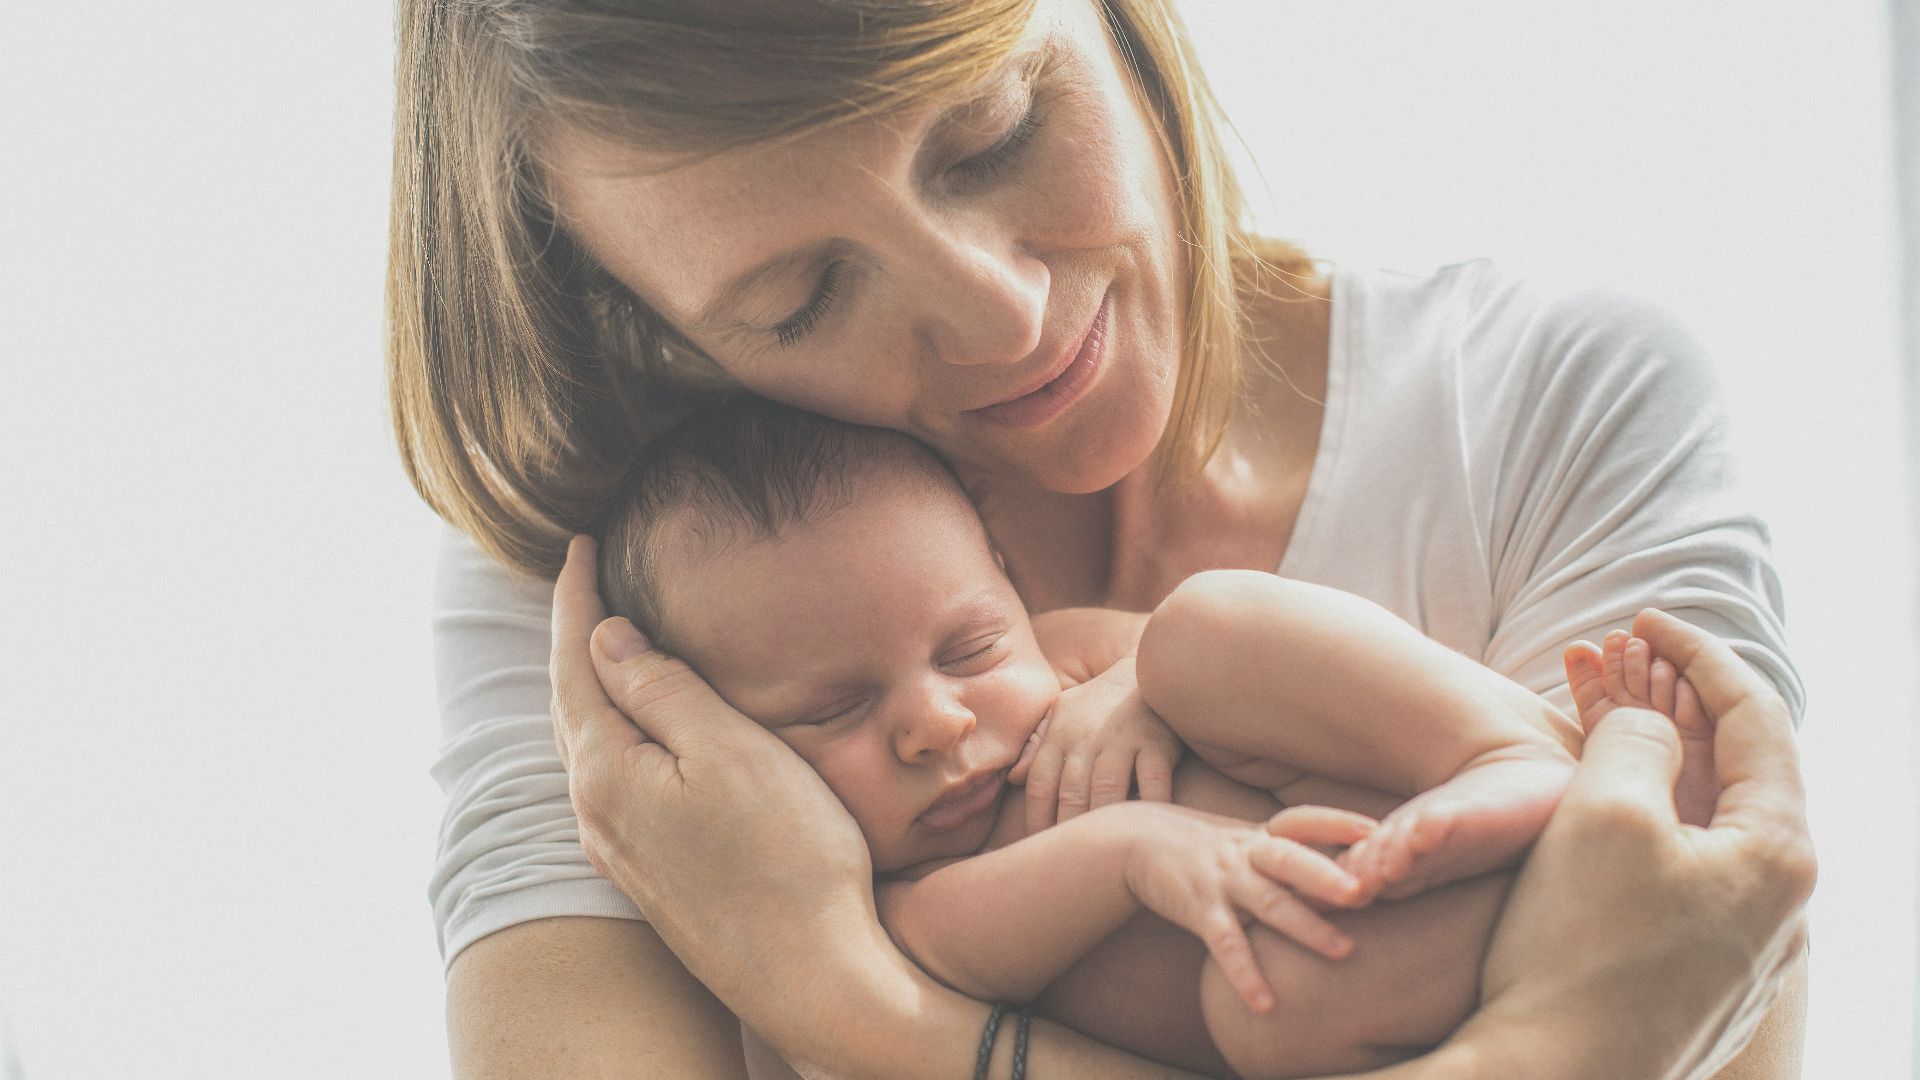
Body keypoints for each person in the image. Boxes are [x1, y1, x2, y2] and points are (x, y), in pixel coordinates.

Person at [387, 0, 1815, 1076]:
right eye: (800, 297)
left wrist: (856, 1003)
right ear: (649, 323)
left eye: (999, 126)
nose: (1003, 313)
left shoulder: (1541, 404)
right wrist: (1567, 1035)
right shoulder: (636, 601)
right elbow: (1641, 990)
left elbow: (1722, 946)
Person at [590, 396, 1609, 1077]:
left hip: (1397, 799)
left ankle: (1504, 756)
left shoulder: (1067, 653)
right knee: (1273, 1006)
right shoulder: (884, 908)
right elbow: (949, 953)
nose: (938, 721)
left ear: (1007, 579)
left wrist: (1133, 684)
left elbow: (1246, 672)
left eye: (971, 645)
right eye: (832, 712)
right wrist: (1132, 850)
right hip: (1370, 946)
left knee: (1203, 631)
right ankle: (1557, 877)